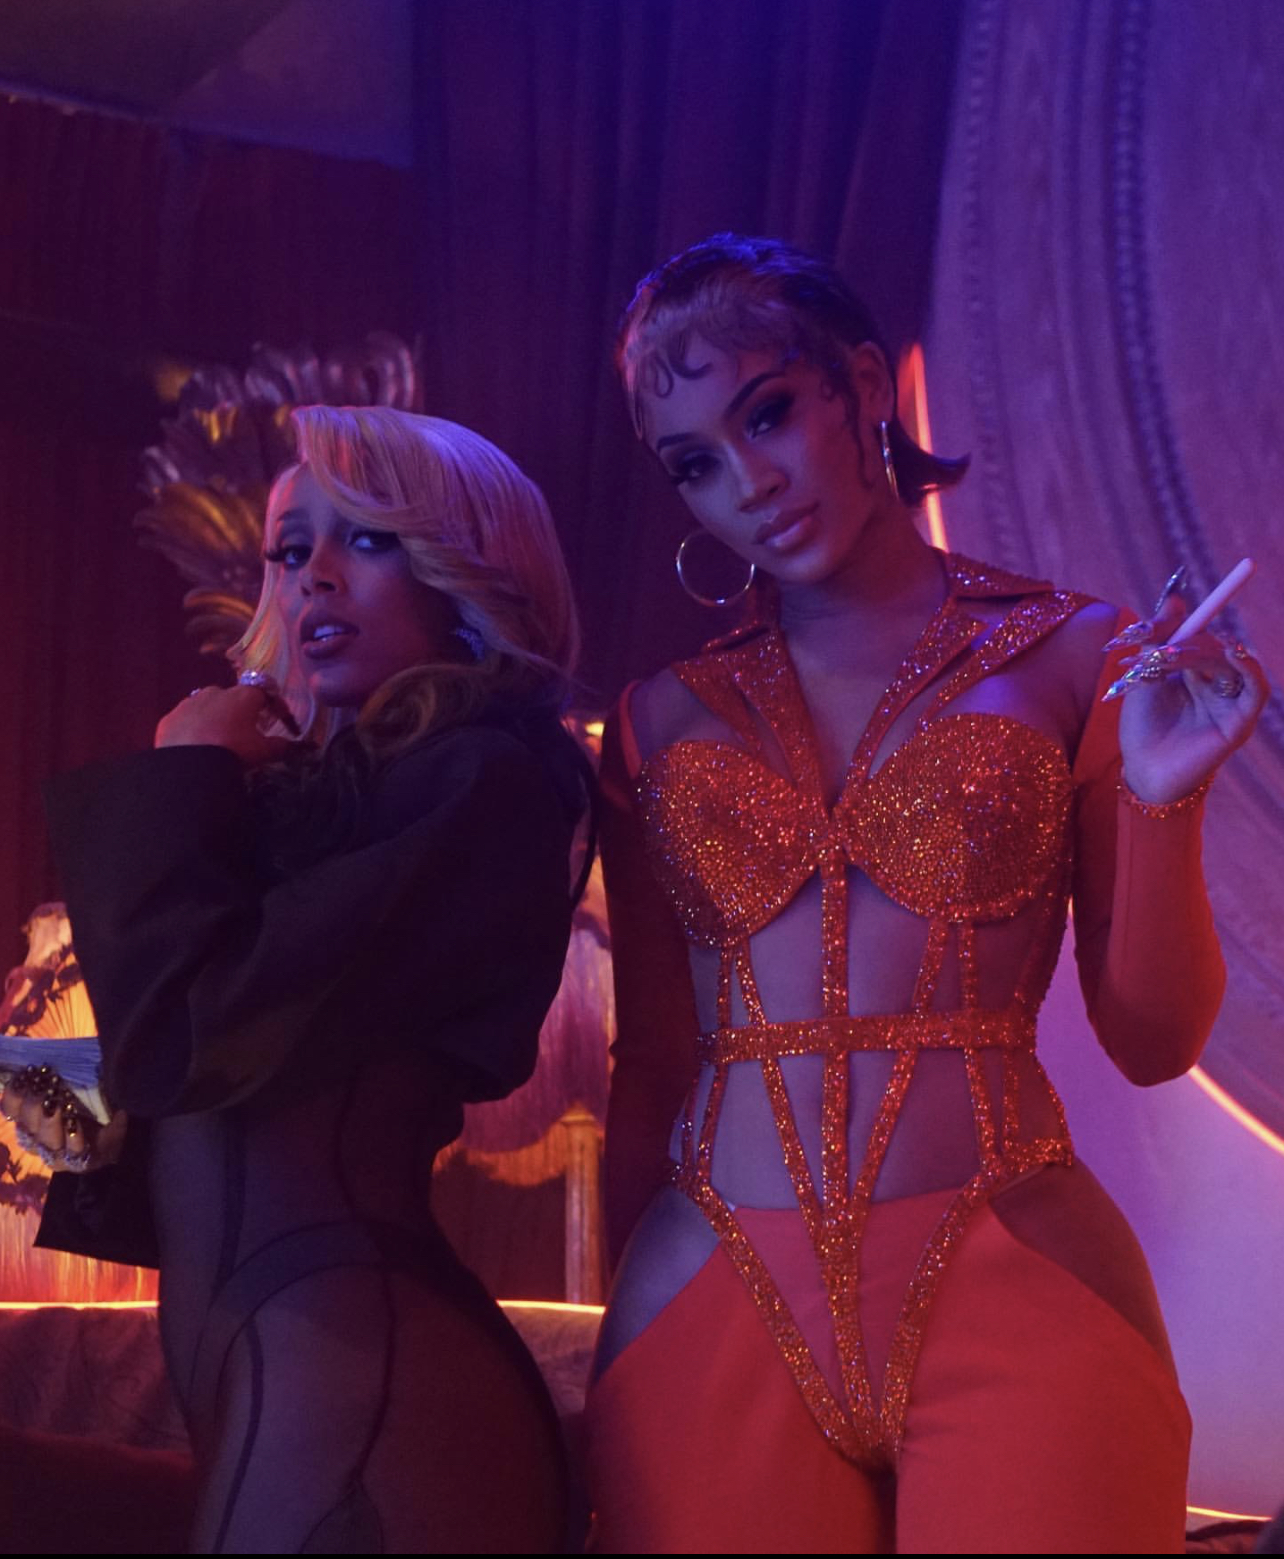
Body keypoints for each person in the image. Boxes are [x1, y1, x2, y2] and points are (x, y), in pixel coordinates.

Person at [585, 235, 1269, 1554]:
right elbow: (654, 1063)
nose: (747, 483)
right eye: (694, 463)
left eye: (767, 413)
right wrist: (616, 1342)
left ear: (859, 386)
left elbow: (1153, 1036)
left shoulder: (1077, 655)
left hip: (1014, 1276)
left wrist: (1165, 796)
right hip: (710, 1290)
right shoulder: (658, 718)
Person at [1, 405, 590, 1553]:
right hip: (274, 1369)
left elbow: (189, 1038)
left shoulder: (485, 783)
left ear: (464, 566)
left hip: (367, 1370)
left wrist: (182, 782)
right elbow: (82, 1119)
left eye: (365, 536)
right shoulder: (297, 807)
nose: (313, 574)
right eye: (288, 548)